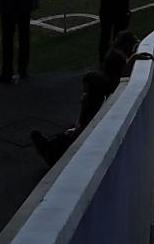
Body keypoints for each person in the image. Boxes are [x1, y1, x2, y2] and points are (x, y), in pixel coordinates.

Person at [34, 33, 138, 165]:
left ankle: (51, 147)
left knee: (77, 131)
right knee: (78, 131)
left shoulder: (100, 88)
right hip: (93, 116)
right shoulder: (106, 88)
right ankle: (51, 148)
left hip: (91, 118)